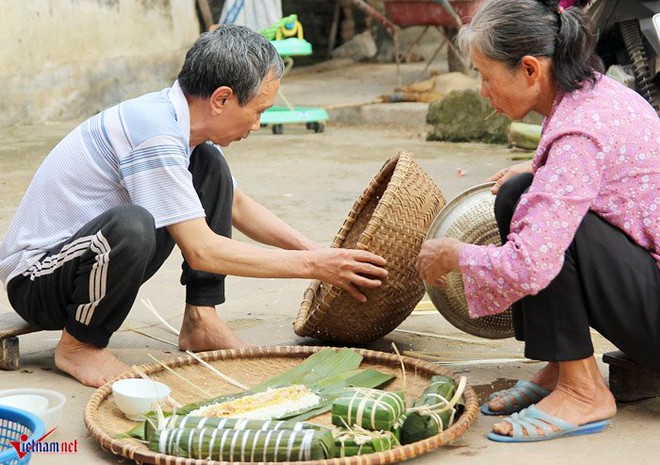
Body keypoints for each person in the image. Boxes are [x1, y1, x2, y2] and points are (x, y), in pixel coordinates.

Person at [0, 25, 388, 388]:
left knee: (210, 167)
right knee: (131, 225)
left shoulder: (185, 130)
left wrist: (318, 252)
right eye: (259, 110)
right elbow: (202, 250)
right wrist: (314, 267)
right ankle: (79, 346)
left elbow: (235, 204)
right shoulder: (154, 131)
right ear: (221, 99)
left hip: (85, 266)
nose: (256, 125)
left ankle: (201, 320)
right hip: (38, 281)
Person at [416, 0, 659, 442]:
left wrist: (455, 255)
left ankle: (584, 393)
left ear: (530, 69)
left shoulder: (579, 131)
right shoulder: (593, 92)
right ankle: (566, 367)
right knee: (519, 192)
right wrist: (535, 174)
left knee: (546, 225)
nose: (484, 91)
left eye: (487, 76)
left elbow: (530, 264)